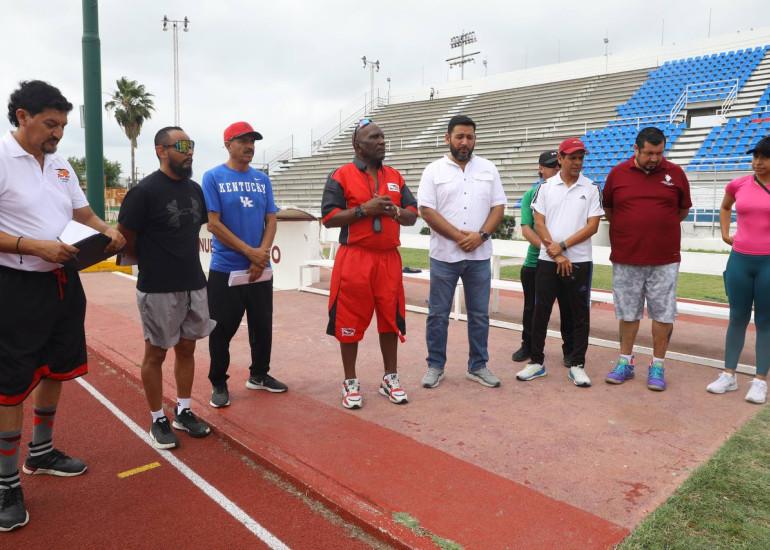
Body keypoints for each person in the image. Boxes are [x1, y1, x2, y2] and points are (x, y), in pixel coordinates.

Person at [0, 80, 124, 531]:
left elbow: (82, 213)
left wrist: (107, 230)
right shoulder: (1, 156)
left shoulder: (59, 164)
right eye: (50, 124)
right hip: (15, 285)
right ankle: (6, 483)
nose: (58, 133)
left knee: (56, 367)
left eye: (63, 126)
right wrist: (33, 246)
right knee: (11, 382)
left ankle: (41, 450)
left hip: (62, 280)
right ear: (22, 117)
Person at [118, 126, 215, 449]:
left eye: (191, 145)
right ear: (161, 150)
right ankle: (157, 417)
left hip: (194, 282)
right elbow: (126, 239)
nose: (190, 152)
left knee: (187, 348)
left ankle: (183, 411)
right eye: (182, 146)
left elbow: (192, 231)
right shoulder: (143, 192)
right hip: (158, 286)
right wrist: (153, 265)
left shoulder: (195, 190)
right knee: (156, 352)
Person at [321, 119, 417, 409]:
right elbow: (329, 218)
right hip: (355, 257)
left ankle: (390, 377)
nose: (381, 141)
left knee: (390, 317)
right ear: (357, 145)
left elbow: (412, 213)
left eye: (382, 137)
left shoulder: (395, 176)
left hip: (388, 258)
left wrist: (394, 211)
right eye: (374, 137)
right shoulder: (341, 175)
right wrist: (365, 210)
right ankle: (350, 380)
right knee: (349, 318)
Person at [202, 121, 287, 408]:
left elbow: (271, 219)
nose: (249, 146)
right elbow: (214, 224)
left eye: (252, 141)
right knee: (221, 329)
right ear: (228, 144)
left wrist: (261, 254)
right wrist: (251, 253)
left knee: (262, 325)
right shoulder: (213, 177)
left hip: (260, 268)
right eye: (243, 141)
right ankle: (218, 381)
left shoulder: (262, 179)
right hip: (226, 269)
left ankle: (259, 375)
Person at [418, 114, 506, 389]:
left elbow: (498, 207)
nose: (465, 142)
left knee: (479, 315)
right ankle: (435, 366)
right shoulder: (433, 170)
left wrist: (481, 236)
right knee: (438, 314)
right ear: (448, 138)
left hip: (479, 256)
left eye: (470, 137)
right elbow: (427, 210)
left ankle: (478, 366)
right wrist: (459, 237)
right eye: (459, 137)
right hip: (444, 256)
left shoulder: (488, 168)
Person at [602, 127, 692, 392]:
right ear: (636, 149)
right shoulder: (617, 173)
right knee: (628, 312)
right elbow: (609, 209)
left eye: (659, 153)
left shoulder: (676, 173)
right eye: (649, 153)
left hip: (664, 258)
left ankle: (658, 365)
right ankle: (625, 362)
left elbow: (682, 210)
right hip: (626, 257)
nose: (655, 158)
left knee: (663, 314)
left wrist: (657, 227)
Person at [527, 137, 603, 388]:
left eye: (580, 157)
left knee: (580, 314)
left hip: (579, 260)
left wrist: (563, 246)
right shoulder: (545, 187)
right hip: (548, 260)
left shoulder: (591, 188)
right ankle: (536, 361)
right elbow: (539, 222)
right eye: (572, 157)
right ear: (560, 158)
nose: (577, 162)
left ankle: (577, 365)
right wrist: (556, 253)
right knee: (541, 311)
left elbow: (592, 226)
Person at [707, 135, 770, 404]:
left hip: (768, 263)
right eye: (755, 157)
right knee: (737, 317)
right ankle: (729, 375)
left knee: (765, 321)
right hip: (740, 261)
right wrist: (725, 233)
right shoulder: (738, 184)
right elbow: (725, 207)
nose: (758, 162)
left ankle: (760, 380)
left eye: (764, 157)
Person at [513, 150, 574, 381]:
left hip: (567, 260)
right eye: (550, 166)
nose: (555, 170)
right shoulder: (532, 194)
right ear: (540, 169)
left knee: (568, 308)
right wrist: (550, 251)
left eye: (557, 165)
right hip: (535, 262)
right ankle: (528, 346)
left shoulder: (569, 192)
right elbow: (527, 229)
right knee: (532, 308)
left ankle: (569, 350)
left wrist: (559, 252)